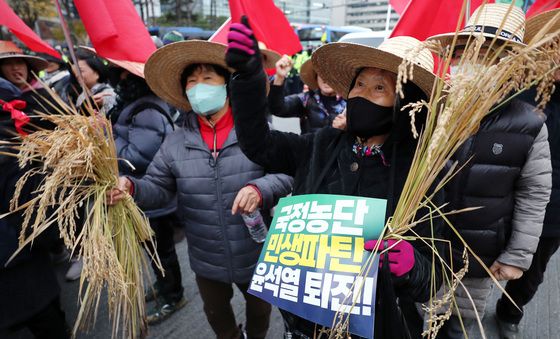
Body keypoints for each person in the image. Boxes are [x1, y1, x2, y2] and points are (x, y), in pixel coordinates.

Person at [226, 17, 444, 338]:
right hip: (304, 323)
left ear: (406, 104)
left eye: (380, 88)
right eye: (359, 84)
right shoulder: (321, 144)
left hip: (376, 326)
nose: (362, 94)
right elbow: (260, 144)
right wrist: (248, 78)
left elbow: (437, 272)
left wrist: (414, 267)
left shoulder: (420, 174)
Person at [107, 40, 293, 338]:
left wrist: (260, 189)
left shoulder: (257, 131)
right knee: (217, 313)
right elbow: (157, 187)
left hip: (256, 251)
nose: (198, 87)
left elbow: (285, 173)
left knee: (261, 311)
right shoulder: (175, 142)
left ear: (227, 85)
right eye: (191, 82)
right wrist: (131, 186)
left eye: (207, 78)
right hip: (206, 256)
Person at [426, 4, 553, 338]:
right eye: (472, 51)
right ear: (455, 57)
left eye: (495, 55)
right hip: (423, 242)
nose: (480, 62)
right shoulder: (431, 106)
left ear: (513, 66)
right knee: (411, 318)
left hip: (477, 253)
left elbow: (534, 193)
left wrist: (517, 256)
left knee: (457, 325)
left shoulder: (529, 123)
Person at [494, 8, 560, 339]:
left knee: (532, 273)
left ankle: (509, 312)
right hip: (505, 193)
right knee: (478, 259)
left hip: (554, 207)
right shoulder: (520, 90)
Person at [0, 77, 70, 339]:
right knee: (49, 323)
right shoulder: (15, 155)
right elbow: (36, 219)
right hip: (23, 265)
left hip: (19, 263)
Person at [269, 57, 346, 134]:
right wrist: (279, 77)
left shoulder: (349, 103)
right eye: (322, 74)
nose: (326, 80)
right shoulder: (306, 99)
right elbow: (277, 108)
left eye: (331, 75)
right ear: (316, 77)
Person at [74, 49, 116, 115]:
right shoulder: (82, 96)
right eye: (76, 71)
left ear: (96, 73)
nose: (77, 75)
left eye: (81, 71)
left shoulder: (107, 95)